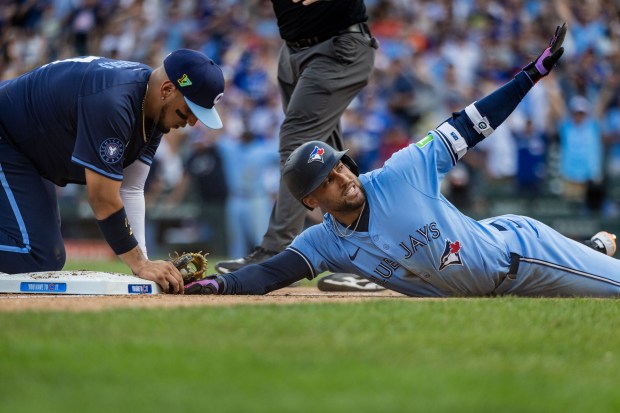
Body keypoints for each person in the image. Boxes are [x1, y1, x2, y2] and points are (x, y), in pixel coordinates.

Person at [188, 23, 620, 299]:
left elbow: (470, 124)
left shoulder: (401, 172)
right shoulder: (324, 243)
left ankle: (585, 256)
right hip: (490, 283)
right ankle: (590, 251)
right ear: (309, 202)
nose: (341, 176)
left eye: (339, 165)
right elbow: (268, 275)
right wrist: (217, 284)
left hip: (522, 258)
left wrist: (529, 76)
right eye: (326, 178)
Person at [0, 48, 225, 294]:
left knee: (47, 258)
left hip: (27, 154)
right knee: (33, 257)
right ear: (167, 90)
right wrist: (139, 263)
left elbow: (131, 188)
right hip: (7, 138)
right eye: (189, 110)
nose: (192, 122)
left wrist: (145, 265)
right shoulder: (114, 102)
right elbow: (103, 199)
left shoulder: (153, 108)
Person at [214, 0, 383, 292]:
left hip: (337, 46)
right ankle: (369, 259)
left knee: (299, 148)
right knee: (327, 159)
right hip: (293, 50)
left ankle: (275, 252)